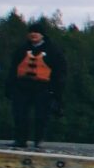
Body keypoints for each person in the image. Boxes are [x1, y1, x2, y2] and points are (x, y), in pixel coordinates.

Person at [9, 22, 64, 151]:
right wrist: (10, 87)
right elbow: (13, 69)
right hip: (22, 87)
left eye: (37, 32)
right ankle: (20, 140)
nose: (33, 34)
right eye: (31, 32)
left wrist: (56, 91)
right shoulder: (21, 50)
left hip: (43, 87)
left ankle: (39, 140)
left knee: (41, 116)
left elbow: (60, 71)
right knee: (20, 114)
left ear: (42, 35)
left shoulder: (53, 50)